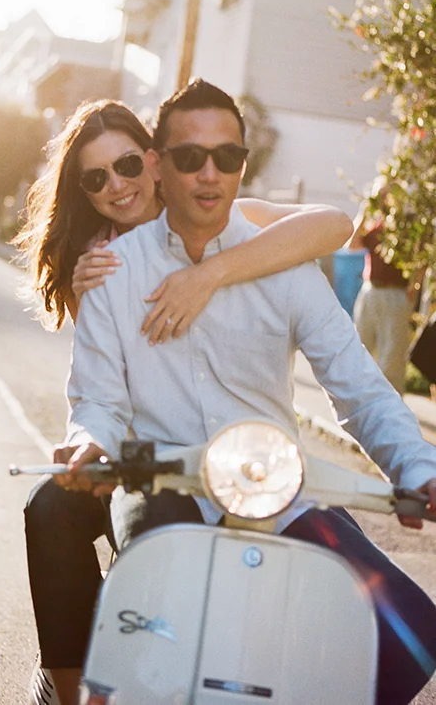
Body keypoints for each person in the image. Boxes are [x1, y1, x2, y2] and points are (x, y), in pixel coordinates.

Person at [62, 80, 436, 705]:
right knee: (144, 629)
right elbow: (97, 400)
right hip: (162, 489)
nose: (210, 174)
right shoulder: (114, 273)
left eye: (227, 157)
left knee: (407, 631)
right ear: (157, 164)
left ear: (243, 163)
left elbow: (361, 390)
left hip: (276, 496)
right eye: (189, 157)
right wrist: (89, 445)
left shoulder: (286, 270)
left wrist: (418, 467)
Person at [16, 98, 354, 705]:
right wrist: (89, 441)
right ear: (84, 191)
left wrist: (211, 273)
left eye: (125, 165)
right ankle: (66, 689)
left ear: (153, 161)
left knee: (376, 620)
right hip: (141, 462)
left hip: (240, 466)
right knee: (50, 506)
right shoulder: (101, 263)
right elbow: (96, 389)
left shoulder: (218, 217)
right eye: (96, 178)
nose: (116, 185)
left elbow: (333, 224)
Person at [349, 176, 418, 393]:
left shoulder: (407, 227)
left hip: (396, 294)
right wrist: (365, 210)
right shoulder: (375, 226)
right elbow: (351, 244)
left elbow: (419, 259)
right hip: (370, 291)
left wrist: (413, 289)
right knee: (359, 349)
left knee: (392, 360)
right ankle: (358, 402)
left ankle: (391, 413)